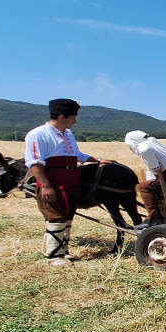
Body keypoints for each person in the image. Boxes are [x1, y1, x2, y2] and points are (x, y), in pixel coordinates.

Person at [24, 99, 115, 266]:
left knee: (67, 217)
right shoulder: (37, 134)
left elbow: (77, 155)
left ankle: (63, 252)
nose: (75, 120)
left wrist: (98, 160)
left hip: (71, 181)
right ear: (61, 116)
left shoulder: (68, 134)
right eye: (73, 117)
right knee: (56, 217)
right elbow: (35, 163)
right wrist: (45, 186)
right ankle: (53, 256)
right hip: (53, 182)